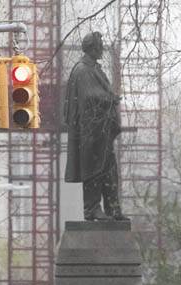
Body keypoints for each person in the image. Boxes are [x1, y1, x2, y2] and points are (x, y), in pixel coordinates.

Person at [63, 31, 124, 221]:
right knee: (93, 170)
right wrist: (110, 98)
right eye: (100, 46)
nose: (102, 49)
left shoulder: (94, 68)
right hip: (90, 133)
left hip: (101, 131)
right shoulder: (82, 70)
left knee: (109, 171)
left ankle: (113, 208)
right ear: (93, 48)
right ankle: (91, 209)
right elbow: (89, 96)